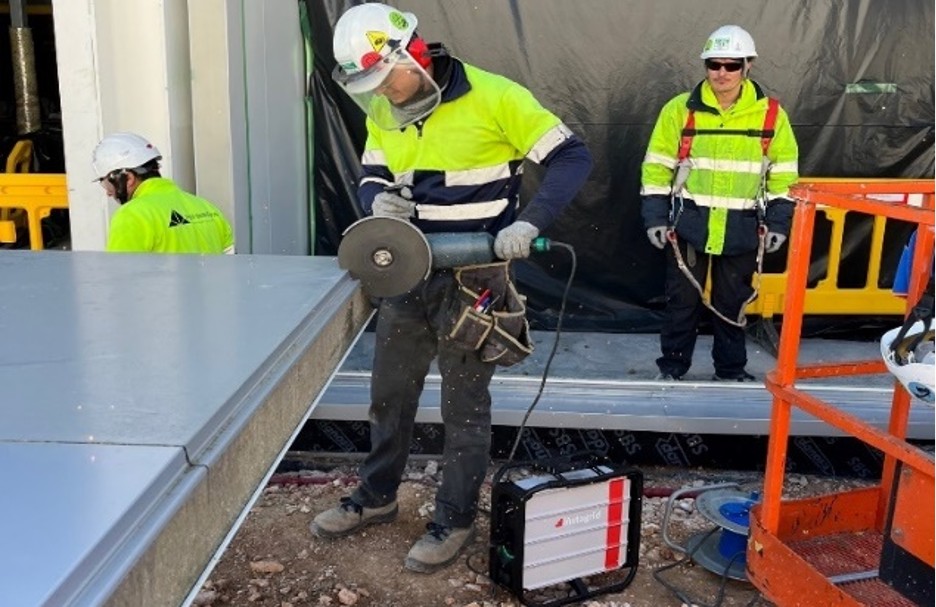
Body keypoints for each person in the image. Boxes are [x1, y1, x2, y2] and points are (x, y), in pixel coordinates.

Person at [310, 3, 592, 573]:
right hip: (407, 273)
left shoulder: (496, 97)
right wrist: (374, 200)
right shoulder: (384, 109)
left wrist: (528, 223)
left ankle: (455, 517)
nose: (382, 93)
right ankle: (377, 495)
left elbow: (571, 156)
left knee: (464, 404)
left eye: (385, 78)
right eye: (369, 86)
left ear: (412, 53)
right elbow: (372, 171)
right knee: (390, 393)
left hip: (475, 278)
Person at [640, 25, 798, 382]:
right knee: (682, 302)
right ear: (705, 66)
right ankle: (672, 369)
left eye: (731, 65)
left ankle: (730, 372)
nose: (722, 73)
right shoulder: (679, 111)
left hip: (742, 226)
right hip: (689, 224)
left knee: (732, 304)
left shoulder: (772, 115)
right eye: (715, 64)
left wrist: (778, 223)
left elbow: (784, 176)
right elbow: (656, 168)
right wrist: (654, 217)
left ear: (748, 66)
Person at [92, 132, 234, 253]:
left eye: (106, 184)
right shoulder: (206, 207)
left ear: (128, 178)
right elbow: (233, 264)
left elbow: (119, 280)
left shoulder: (131, 215)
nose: (108, 194)